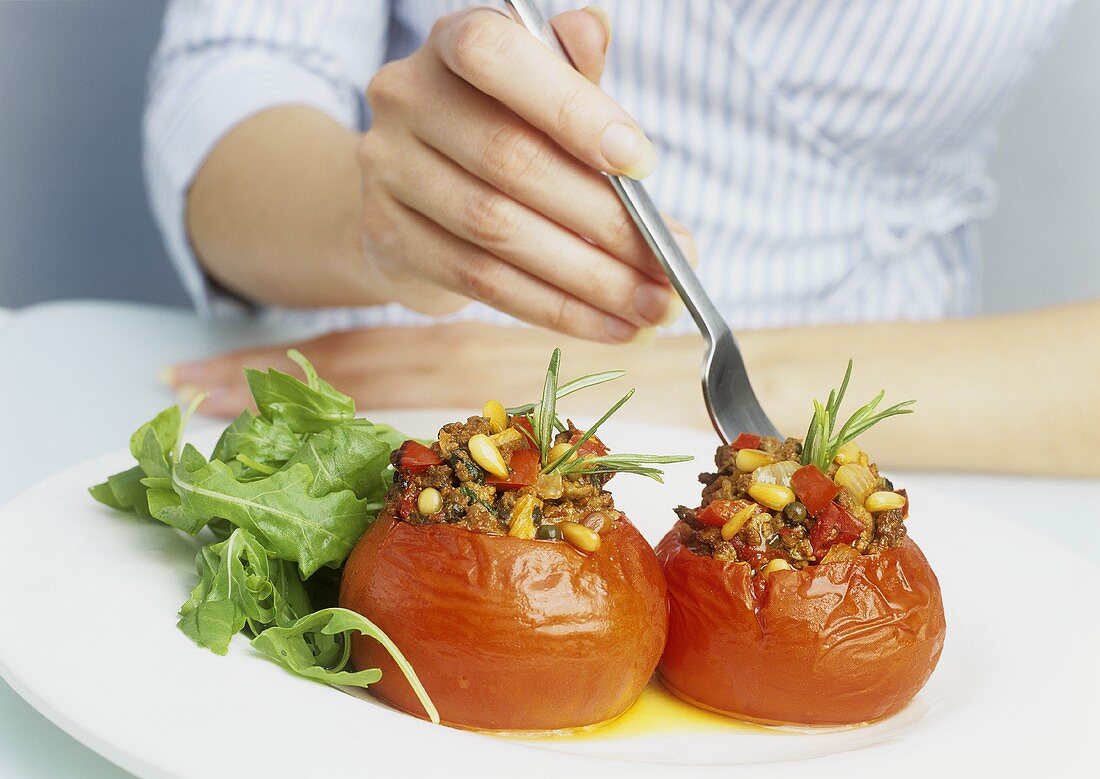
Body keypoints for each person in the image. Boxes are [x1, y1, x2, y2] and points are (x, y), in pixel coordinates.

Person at [146, 1, 1099, 475]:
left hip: (929, 426)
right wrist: (373, 224)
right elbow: (234, 75)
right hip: (402, 397)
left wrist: (717, 388)